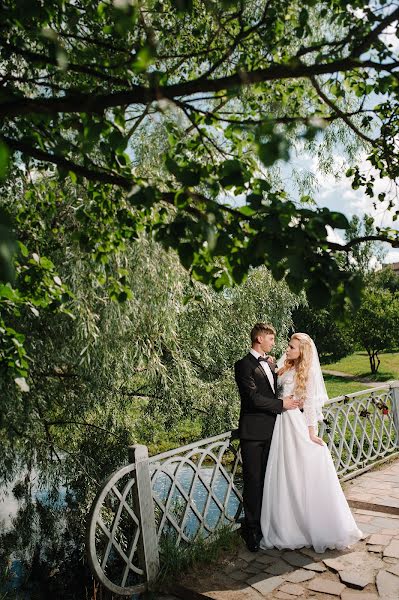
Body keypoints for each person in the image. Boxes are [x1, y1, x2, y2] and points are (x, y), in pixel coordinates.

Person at [260, 332, 362, 552]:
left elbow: (311, 408)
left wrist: (312, 433)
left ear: (302, 352)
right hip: (280, 423)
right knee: (283, 473)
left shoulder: (308, 372)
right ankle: (285, 522)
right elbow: (275, 384)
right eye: (288, 346)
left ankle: (305, 524)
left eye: (292, 348)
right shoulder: (285, 365)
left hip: (294, 424)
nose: (287, 350)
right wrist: (270, 364)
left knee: (297, 473)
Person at [234, 323, 300, 552]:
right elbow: (252, 398)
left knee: (271, 481)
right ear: (260, 338)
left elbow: (273, 388)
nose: (274, 343)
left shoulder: (269, 363)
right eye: (271, 339)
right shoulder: (243, 365)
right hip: (252, 434)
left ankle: (268, 525)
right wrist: (282, 404)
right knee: (253, 482)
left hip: (275, 431)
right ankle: (251, 530)